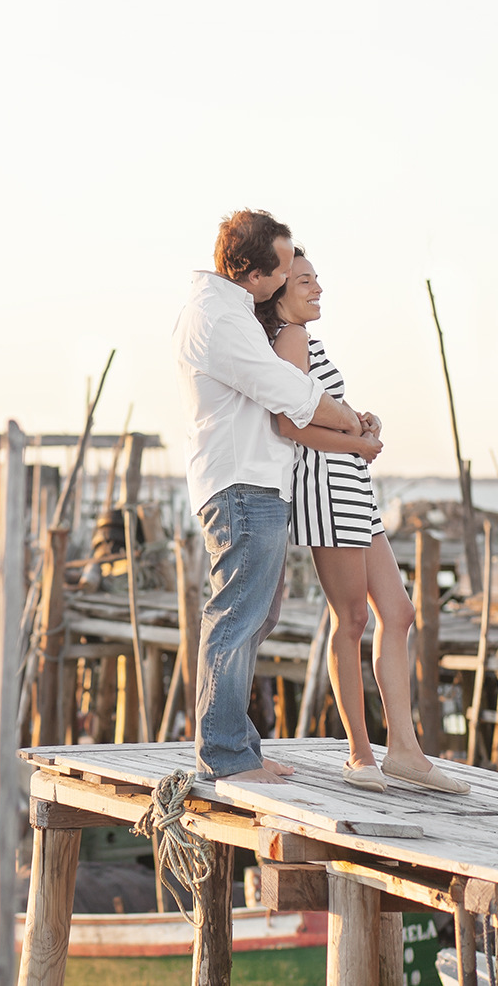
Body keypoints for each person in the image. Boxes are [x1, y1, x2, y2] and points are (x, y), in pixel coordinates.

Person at [259, 250, 470, 794]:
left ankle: (404, 749)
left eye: (316, 279)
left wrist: (360, 421)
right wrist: (359, 440)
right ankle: (359, 754)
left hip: (352, 486)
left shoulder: (310, 342)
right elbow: (290, 426)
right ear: (280, 290)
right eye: (305, 280)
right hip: (326, 489)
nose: (318, 288)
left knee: (396, 612)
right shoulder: (290, 338)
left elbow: (321, 410)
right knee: (351, 619)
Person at [173, 210, 365, 784]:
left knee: (255, 616)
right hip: (240, 483)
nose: (287, 280)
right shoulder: (218, 318)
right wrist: (350, 420)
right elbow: (284, 389)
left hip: (253, 481)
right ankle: (226, 756)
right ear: (252, 273)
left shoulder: (228, 312)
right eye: (281, 270)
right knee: (237, 615)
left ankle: (240, 748)